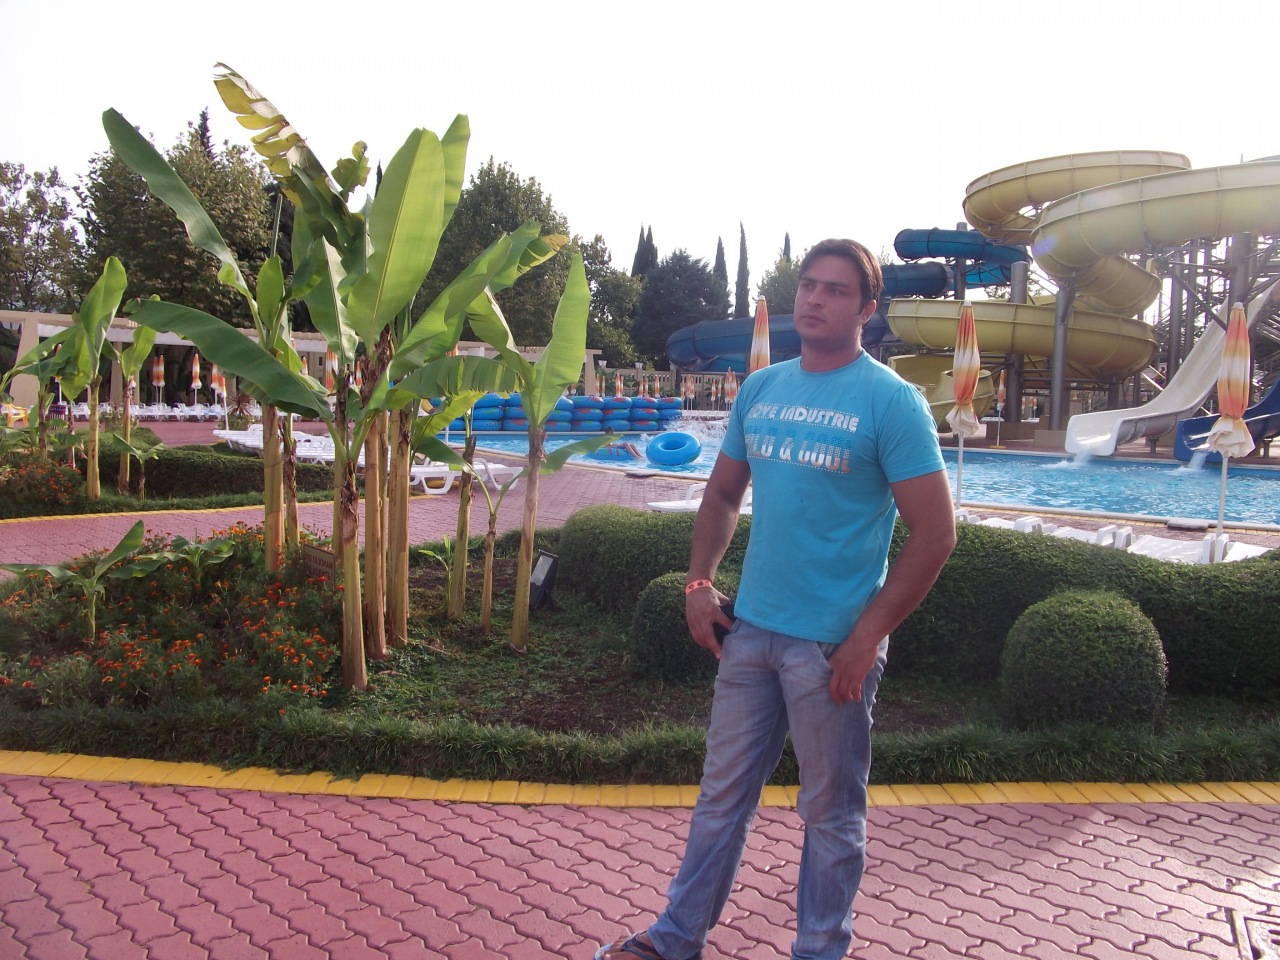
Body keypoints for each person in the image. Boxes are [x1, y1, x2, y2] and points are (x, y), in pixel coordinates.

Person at [595, 239, 957, 960]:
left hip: (831, 648)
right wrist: (699, 582)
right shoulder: (762, 389)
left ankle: (820, 950)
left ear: (867, 309)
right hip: (751, 634)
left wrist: (867, 637)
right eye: (808, 286)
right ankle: (676, 939)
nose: (815, 299)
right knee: (720, 797)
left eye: (835, 290)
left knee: (830, 813)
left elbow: (936, 534)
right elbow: (722, 495)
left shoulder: (891, 401)